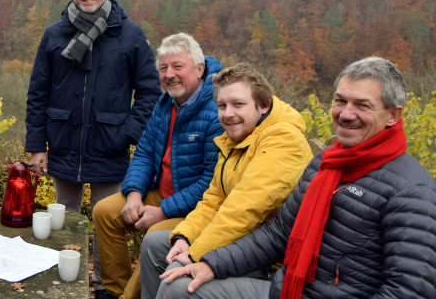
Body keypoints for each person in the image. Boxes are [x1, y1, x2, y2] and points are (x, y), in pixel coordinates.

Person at [157, 57, 436, 298]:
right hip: (289, 287)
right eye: (340, 101)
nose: (346, 113)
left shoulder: (412, 191)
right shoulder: (325, 164)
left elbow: (409, 290)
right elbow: (278, 235)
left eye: (362, 105)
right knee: (180, 286)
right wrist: (211, 264)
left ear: (393, 115)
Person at [25, 0, 161, 296]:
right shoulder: (55, 34)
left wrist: (127, 134)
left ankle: (104, 288)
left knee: (107, 223)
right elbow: (38, 92)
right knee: (63, 219)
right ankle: (63, 282)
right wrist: (37, 144)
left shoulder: (130, 35)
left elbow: (150, 92)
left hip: (110, 145)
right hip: (63, 142)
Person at [140, 62, 313, 298]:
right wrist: (185, 237)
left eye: (238, 104)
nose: (228, 114)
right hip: (239, 240)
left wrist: (195, 253)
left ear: (263, 105)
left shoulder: (283, 141)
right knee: (156, 244)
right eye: (222, 106)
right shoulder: (237, 137)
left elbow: (243, 210)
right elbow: (214, 199)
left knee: (177, 279)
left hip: (270, 260)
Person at [91, 32, 223, 299]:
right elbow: (144, 152)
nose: (170, 74)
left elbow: (211, 182)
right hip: (161, 194)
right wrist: (135, 194)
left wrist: (162, 211)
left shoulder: (217, 110)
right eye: (163, 68)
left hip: (196, 209)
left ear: (199, 69)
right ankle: (115, 290)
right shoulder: (166, 104)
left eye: (177, 66)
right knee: (105, 211)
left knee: (155, 236)